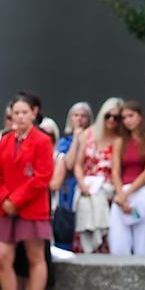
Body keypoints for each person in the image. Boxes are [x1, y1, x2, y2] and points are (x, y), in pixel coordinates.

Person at [0, 94, 54, 290]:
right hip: (4, 208)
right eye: (16, 113)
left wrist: (16, 200)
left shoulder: (43, 140)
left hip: (31, 207)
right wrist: (5, 199)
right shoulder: (5, 140)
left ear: (34, 113)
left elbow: (42, 176)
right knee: (2, 256)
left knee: (35, 256)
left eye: (24, 112)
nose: (20, 117)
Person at [74, 97, 123, 253]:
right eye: (108, 116)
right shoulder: (88, 134)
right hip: (87, 186)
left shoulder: (119, 140)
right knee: (85, 206)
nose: (111, 120)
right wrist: (82, 183)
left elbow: (116, 170)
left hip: (107, 189)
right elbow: (78, 164)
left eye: (116, 118)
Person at [108, 100, 145, 256]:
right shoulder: (120, 141)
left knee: (143, 241)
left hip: (142, 191)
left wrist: (126, 195)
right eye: (124, 117)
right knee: (119, 241)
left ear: (140, 117)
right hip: (122, 191)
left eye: (131, 116)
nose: (127, 121)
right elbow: (115, 171)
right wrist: (121, 196)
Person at [50, 102, 94, 249]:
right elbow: (68, 164)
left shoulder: (94, 140)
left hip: (87, 187)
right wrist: (77, 139)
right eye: (76, 115)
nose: (80, 119)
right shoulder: (64, 142)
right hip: (67, 191)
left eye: (83, 116)